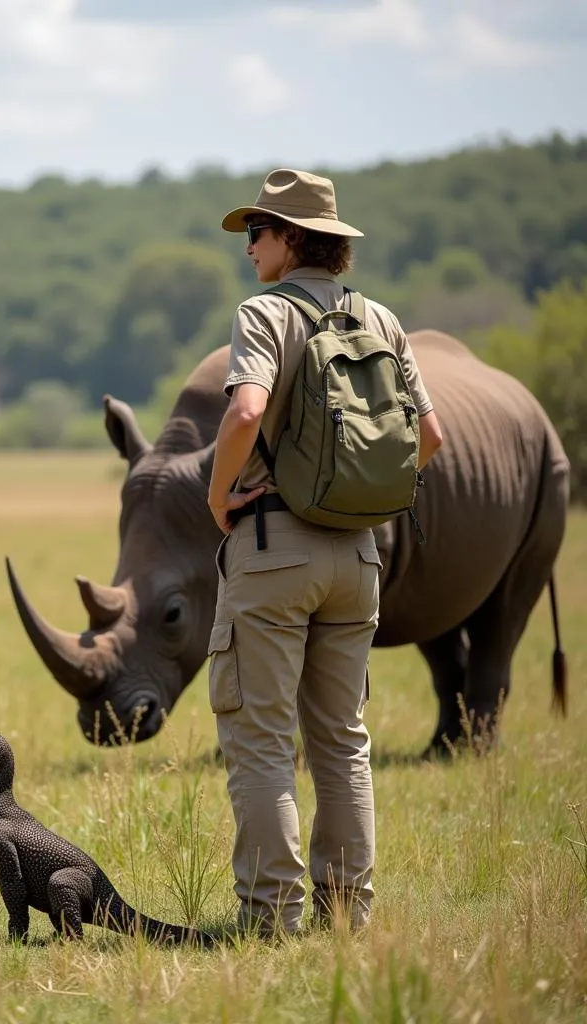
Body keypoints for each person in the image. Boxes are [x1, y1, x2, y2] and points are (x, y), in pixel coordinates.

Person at [206, 168, 443, 937]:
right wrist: (355, 495)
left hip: (274, 548)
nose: (248, 250)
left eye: (257, 233)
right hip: (359, 558)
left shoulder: (265, 312)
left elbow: (246, 408)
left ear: (289, 239)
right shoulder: (382, 318)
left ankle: (272, 918)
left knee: (264, 742)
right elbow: (430, 439)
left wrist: (219, 497)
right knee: (343, 745)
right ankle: (348, 919)